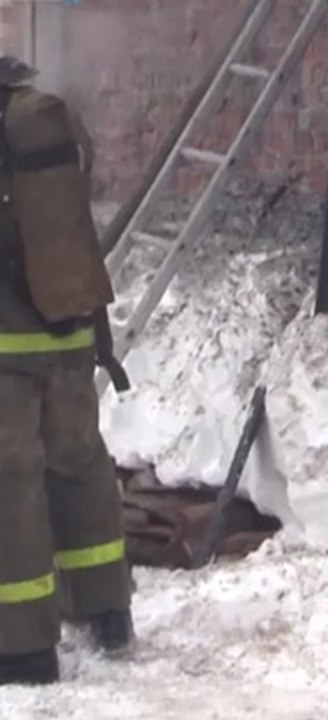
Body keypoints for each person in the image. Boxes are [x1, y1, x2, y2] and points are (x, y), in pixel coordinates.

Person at [0, 54, 135, 686]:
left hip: (8, 341)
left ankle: (21, 645)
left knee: (11, 481)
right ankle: (106, 609)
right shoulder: (49, 115)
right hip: (70, 324)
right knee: (78, 463)